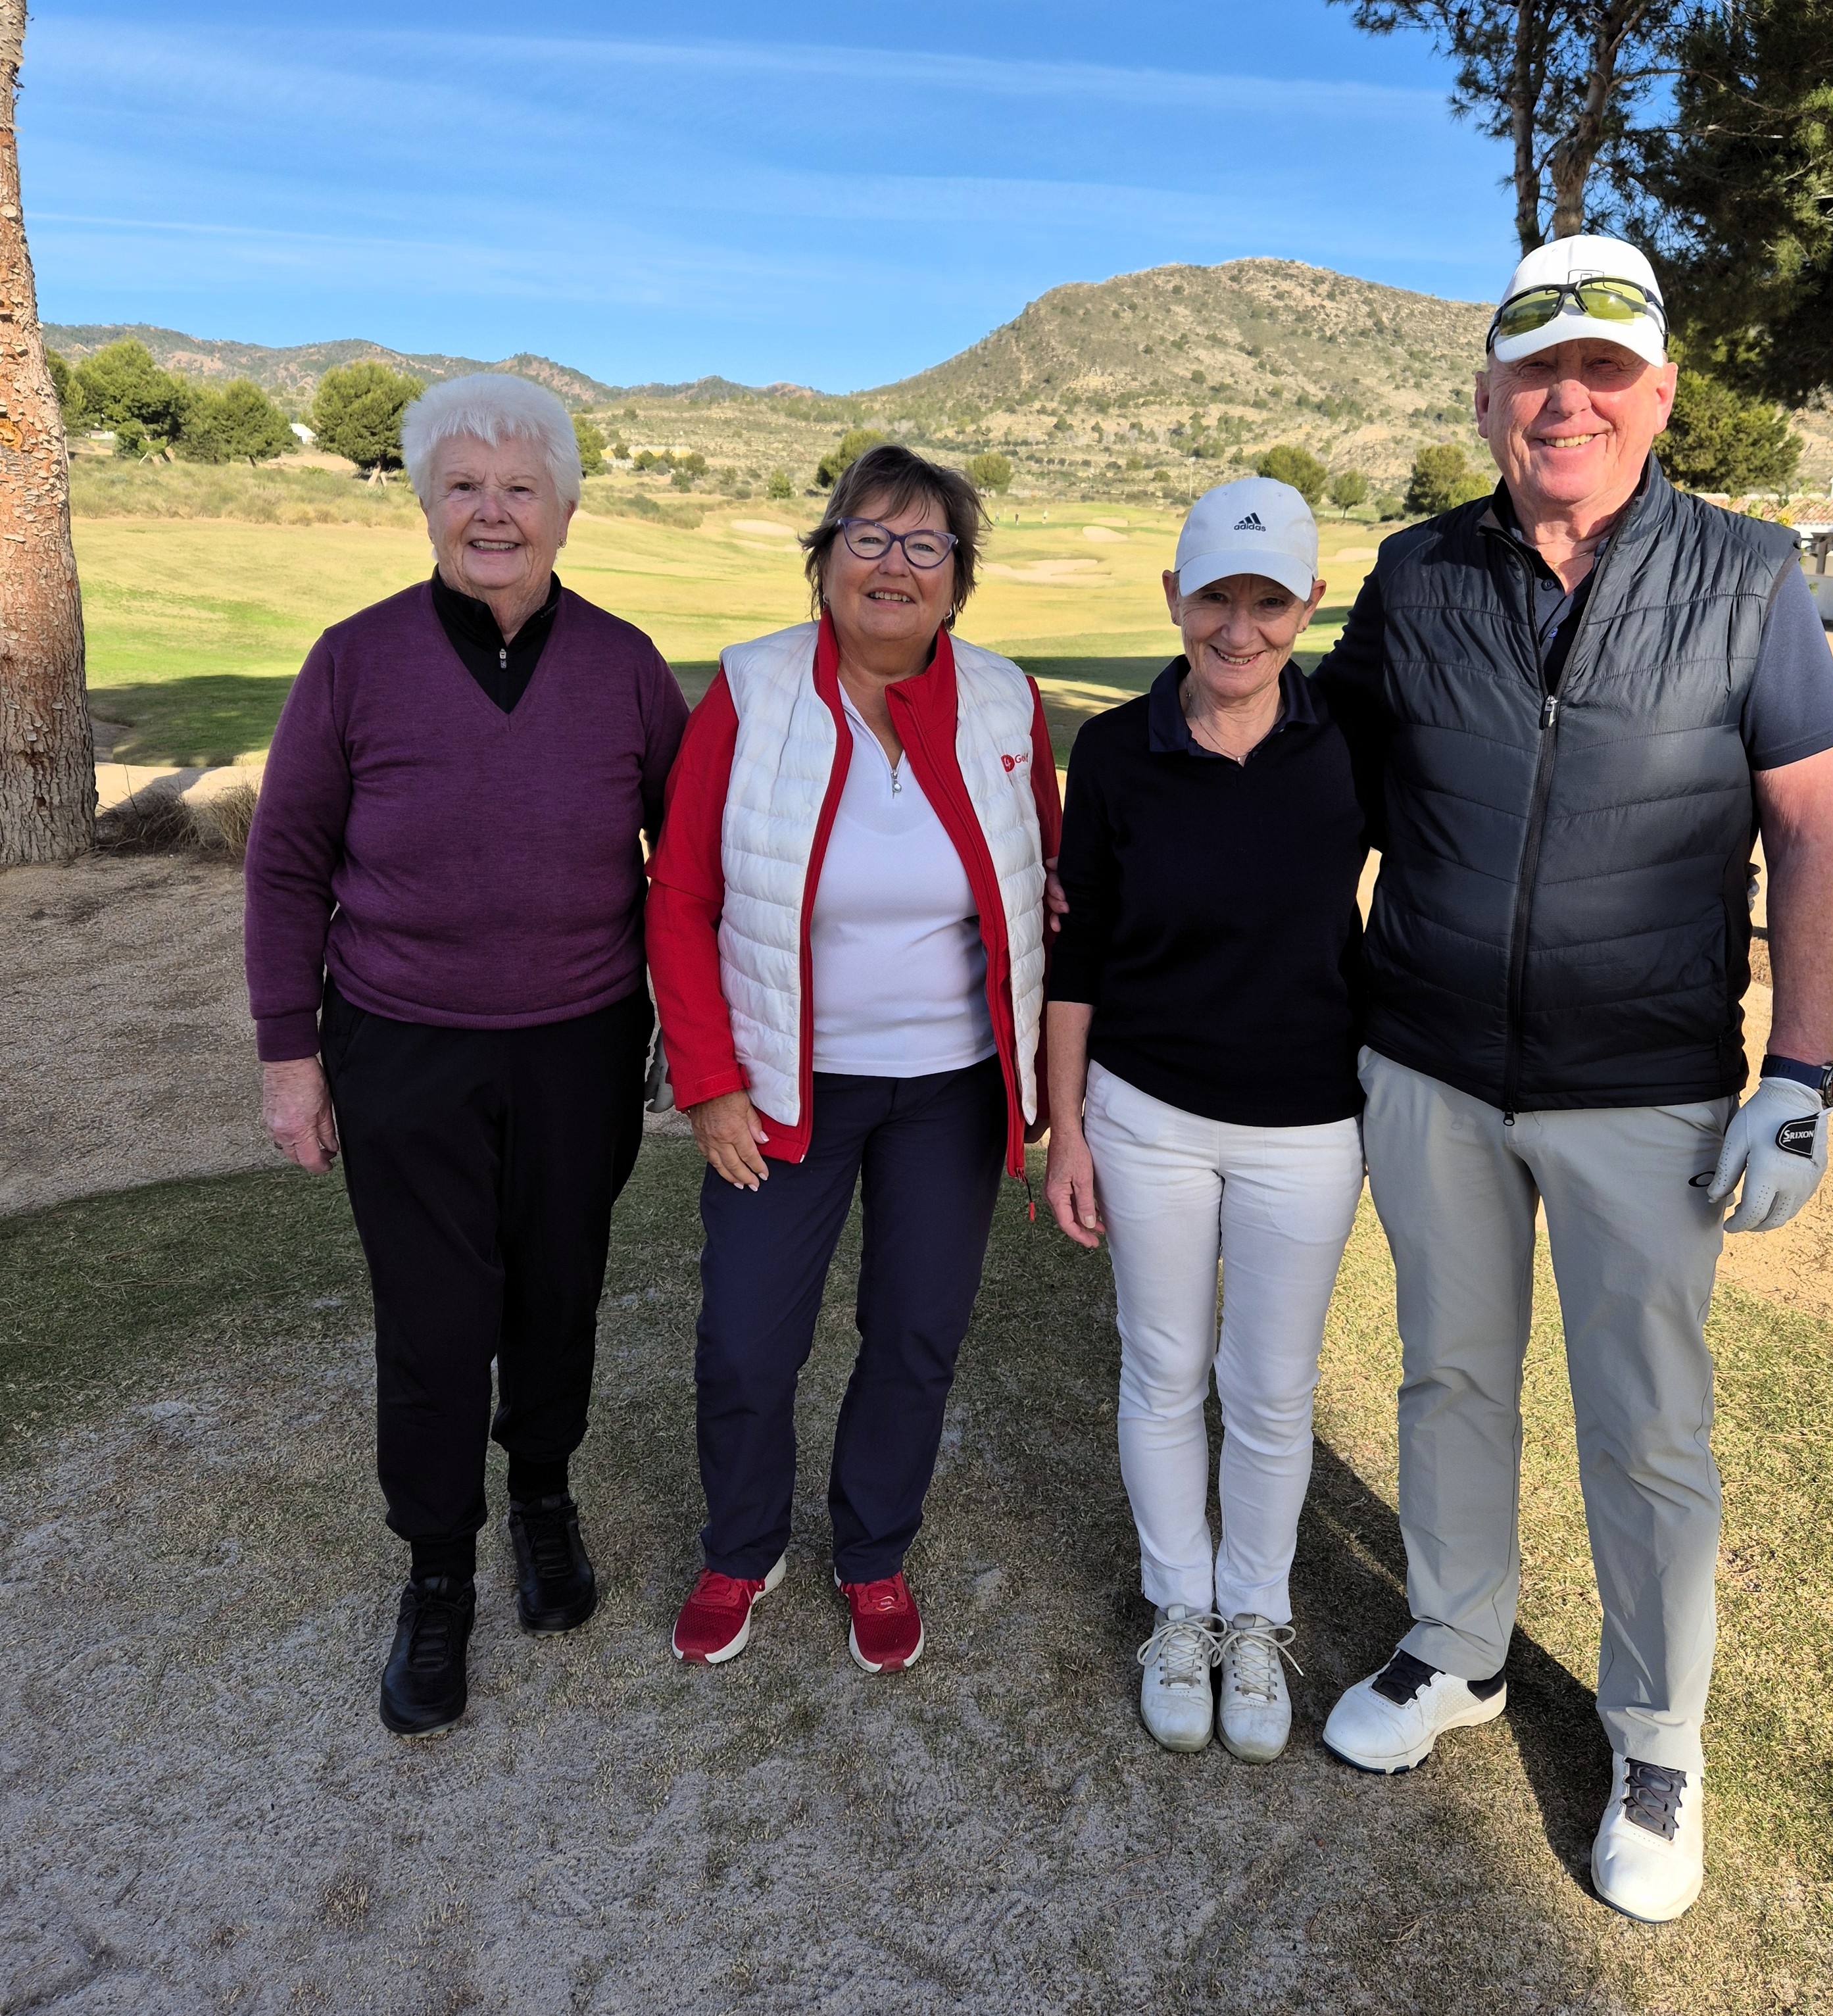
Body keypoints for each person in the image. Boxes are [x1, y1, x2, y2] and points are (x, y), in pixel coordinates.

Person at [1313, 237, 1833, 1921]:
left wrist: (1804, 1072)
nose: (1570, 401)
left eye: (1604, 371)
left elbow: (1815, 830)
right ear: (1488, 398)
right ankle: (1457, 1643)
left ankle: (1657, 1737)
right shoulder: (1416, 573)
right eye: (1537, 372)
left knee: (1645, 1426)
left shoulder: (1751, 574)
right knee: (1449, 1379)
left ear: (1660, 396)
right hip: (1431, 1067)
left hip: (1647, 1085)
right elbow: (1320, 794)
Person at [244, 373, 689, 1737]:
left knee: (557, 1294)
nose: (493, 513)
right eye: (464, 487)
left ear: (565, 510)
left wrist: (695, 1027)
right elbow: (285, 867)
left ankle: (543, 1500)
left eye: (520, 488)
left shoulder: (625, 665)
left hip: (579, 1044)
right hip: (402, 1046)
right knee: (435, 1323)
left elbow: (690, 865)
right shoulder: (354, 659)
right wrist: (290, 1059)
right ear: (428, 504)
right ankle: (438, 1568)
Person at [646, 445, 1059, 1675]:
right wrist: (710, 1080)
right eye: (867, 537)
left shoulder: (1006, 700)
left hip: (950, 1087)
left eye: (925, 544)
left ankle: (873, 1551)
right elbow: (682, 895)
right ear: (825, 560)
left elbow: (1045, 879)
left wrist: (1042, 1073)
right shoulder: (751, 687)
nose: (894, 564)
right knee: (746, 1339)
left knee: (915, 1332)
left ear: (957, 578)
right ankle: (742, 1546)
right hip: (786, 1085)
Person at [1042, 477, 1372, 1765]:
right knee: (1164, 1368)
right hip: (1146, 1112)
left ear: (1311, 604)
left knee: (1273, 1389)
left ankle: (1254, 1615)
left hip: (1308, 1123)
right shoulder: (1116, 749)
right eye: (1215, 598)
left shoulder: (1352, 737)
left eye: (1269, 602)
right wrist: (1067, 1127)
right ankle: (1181, 1609)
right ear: (1174, 596)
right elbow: (1078, 952)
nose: (1240, 629)